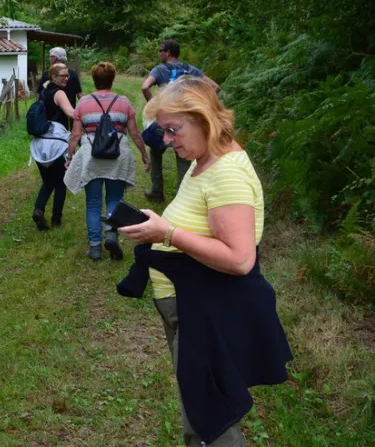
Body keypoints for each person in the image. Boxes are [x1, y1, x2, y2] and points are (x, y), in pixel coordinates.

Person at [120, 76, 291, 446]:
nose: (167, 140)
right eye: (162, 131)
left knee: (210, 418)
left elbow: (240, 259)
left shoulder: (226, 173)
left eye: (172, 129)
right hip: (192, 304)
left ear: (203, 119)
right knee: (199, 408)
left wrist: (167, 233)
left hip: (204, 309)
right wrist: (159, 228)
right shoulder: (205, 160)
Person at [63, 62, 149, 261]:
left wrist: (70, 156)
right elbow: (134, 133)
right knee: (114, 199)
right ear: (112, 79)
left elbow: (75, 135)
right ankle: (111, 234)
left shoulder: (83, 103)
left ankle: (95, 247)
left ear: (94, 80)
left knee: (93, 203)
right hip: (117, 156)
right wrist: (144, 154)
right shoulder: (124, 102)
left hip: (91, 157)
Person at [140, 39, 219, 203]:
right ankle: (181, 196)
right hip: (185, 123)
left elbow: (145, 87)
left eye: (161, 50)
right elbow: (215, 87)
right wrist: (197, 106)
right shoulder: (191, 70)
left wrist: (155, 104)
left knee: (155, 151)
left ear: (168, 52)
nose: (159, 53)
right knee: (183, 157)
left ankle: (156, 191)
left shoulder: (160, 69)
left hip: (164, 121)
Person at [30, 63, 74, 231]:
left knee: (48, 181)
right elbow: (71, 113)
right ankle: (56, 219)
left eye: (67, 75)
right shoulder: (59, 93)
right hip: (56, 143)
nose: (66, 78)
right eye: (63, 75)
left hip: (40, 141)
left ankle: (38, 210)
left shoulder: (43, 92)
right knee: (61, 181)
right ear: (54, 77)